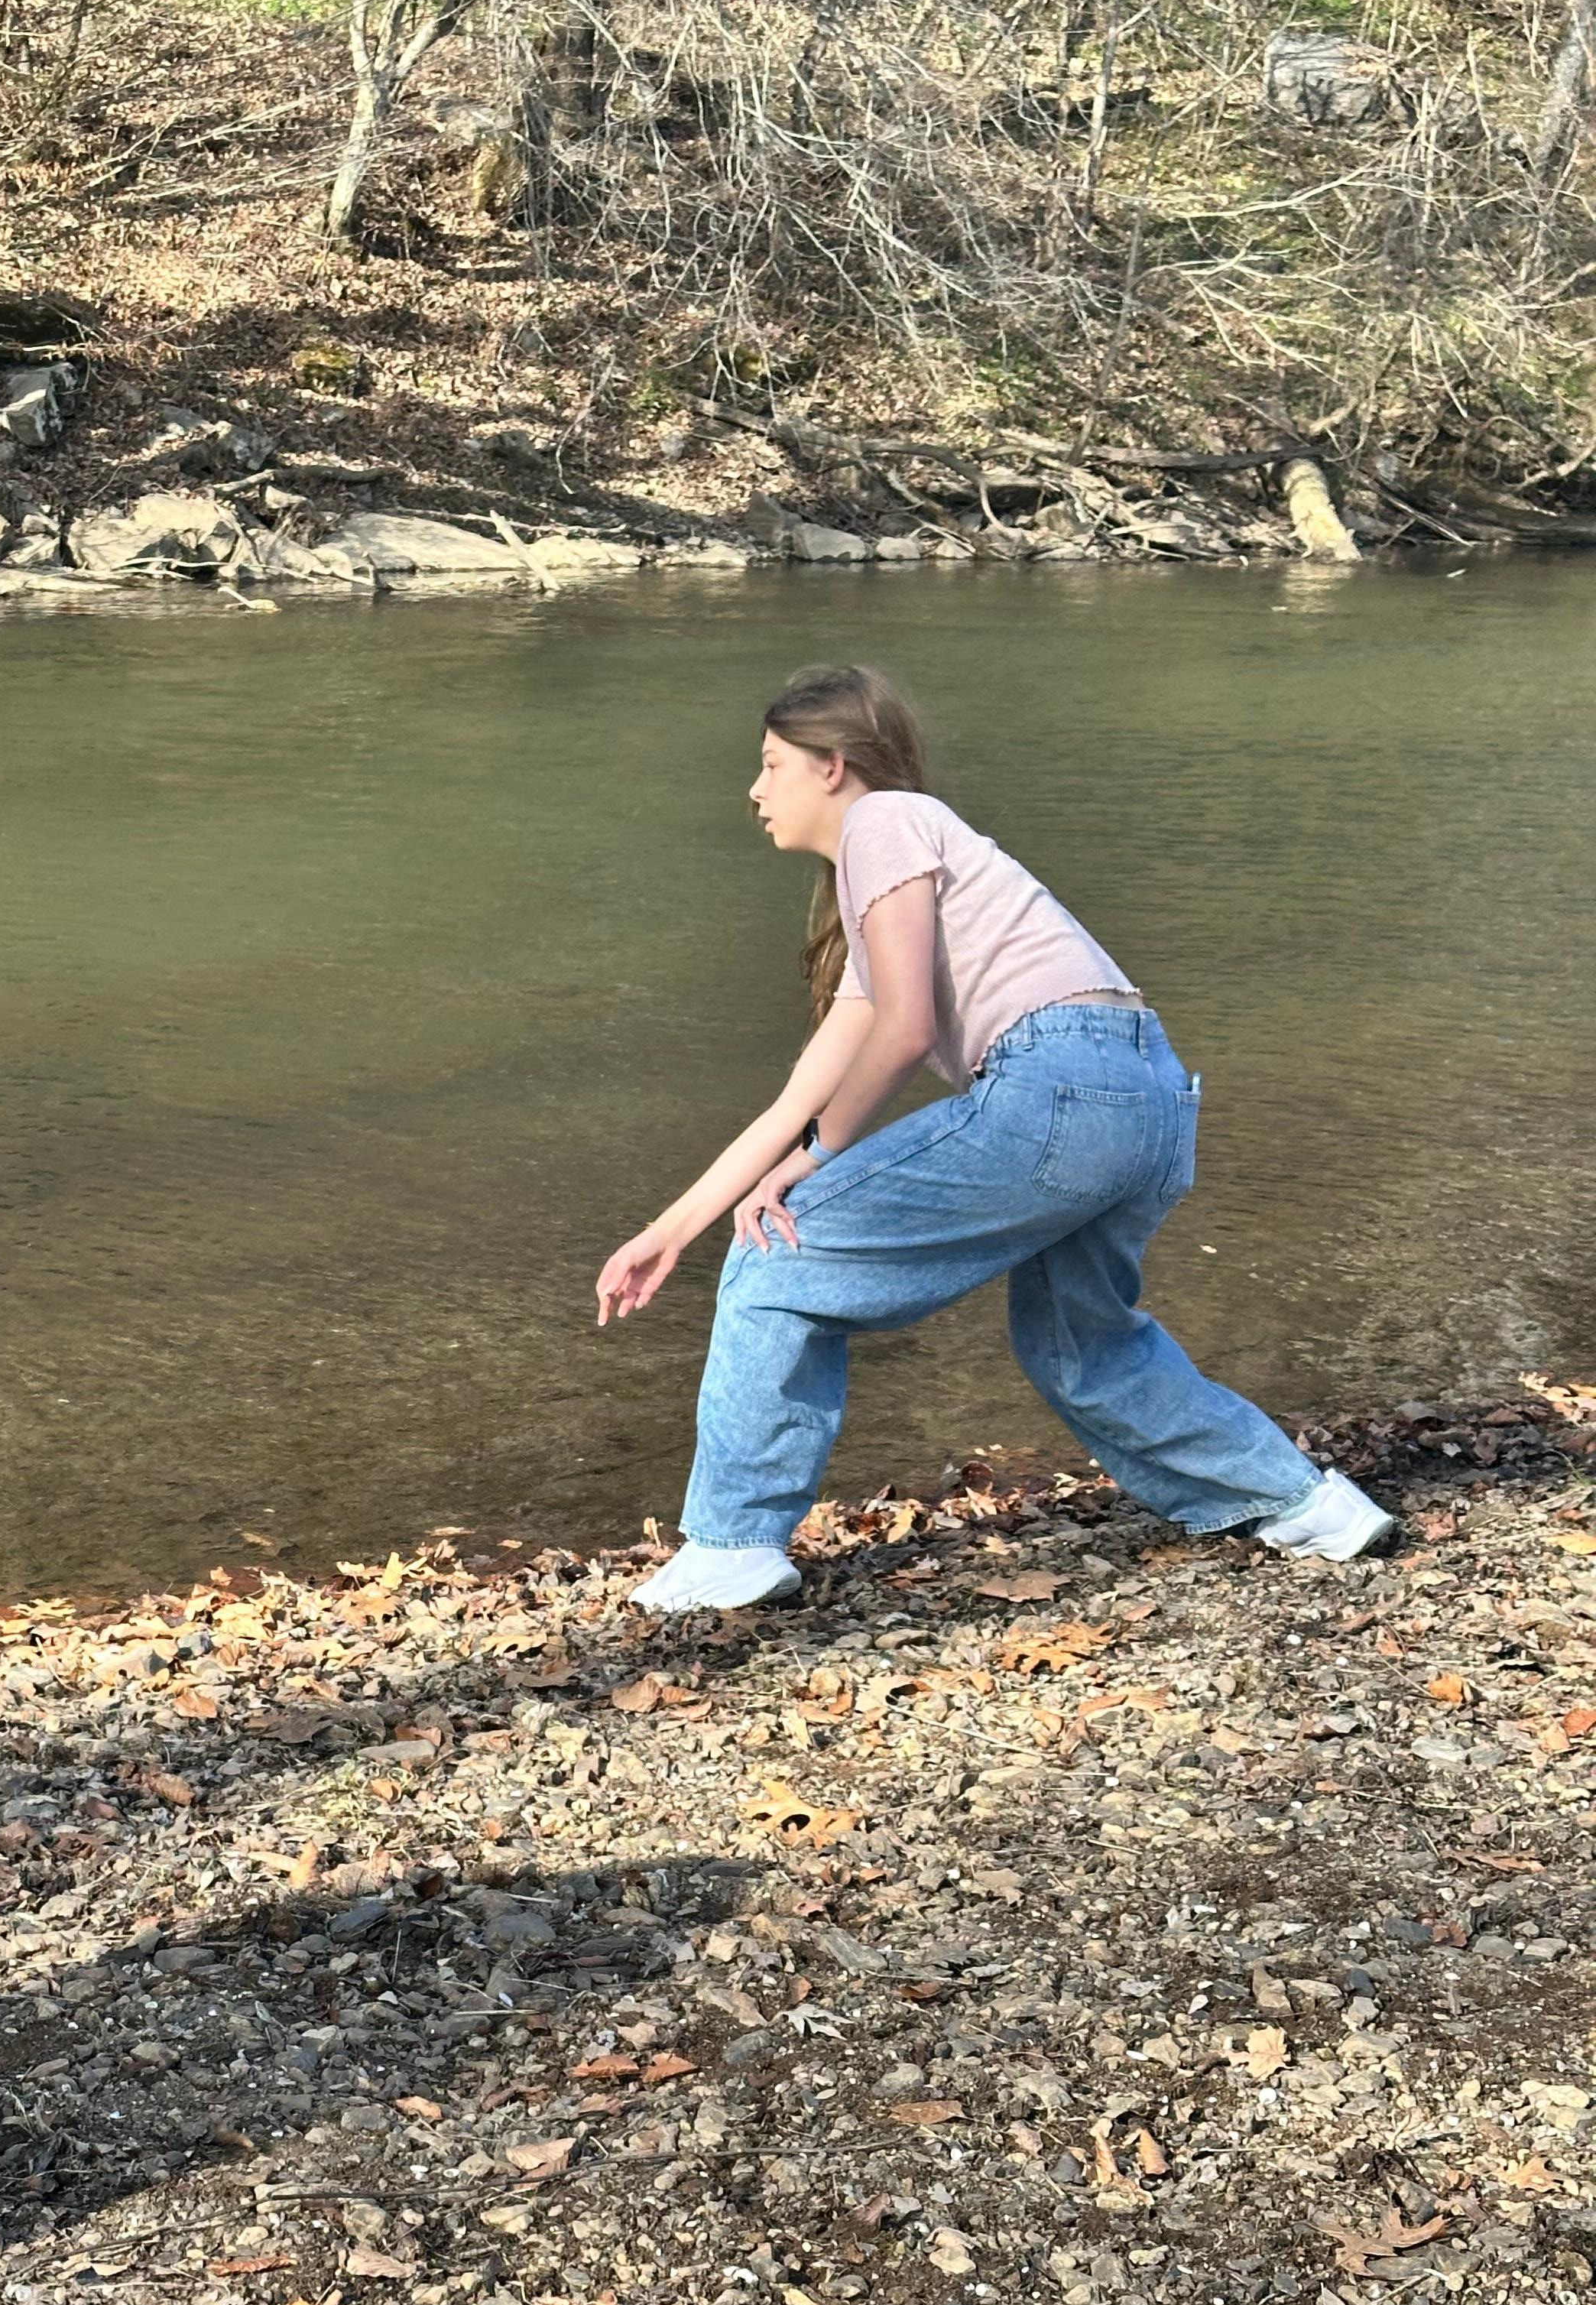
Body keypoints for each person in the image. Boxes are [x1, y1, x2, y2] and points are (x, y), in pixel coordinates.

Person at [595, 661, 1392, 1613]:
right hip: (1149, 1098)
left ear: (834, 766)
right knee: (1081, 1345)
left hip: (1057, 1090)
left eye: (772, 764)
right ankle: (1309, 1506)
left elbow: (906, 1037)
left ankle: (732, 1545)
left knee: (774, 1260)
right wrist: (671, 1229)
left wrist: (806, 1170)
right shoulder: (905, 885)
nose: (755, 789)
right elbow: (793, 1103)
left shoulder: (885, 823)